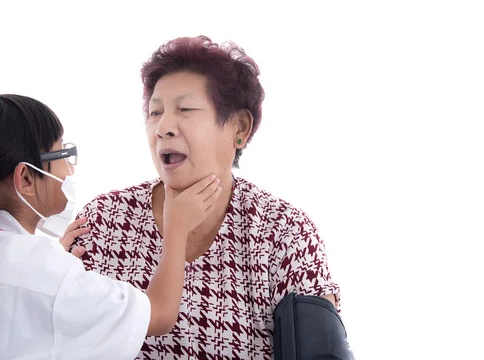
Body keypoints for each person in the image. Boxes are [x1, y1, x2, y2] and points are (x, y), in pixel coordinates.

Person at [0, 94, 220, 360]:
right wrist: (176, 227)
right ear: (25, 179)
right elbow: (160, 314)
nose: (68, 170)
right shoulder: (50, 277)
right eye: (62, 153)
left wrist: (55, 269)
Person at [72, 36, 342, 359]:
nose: (163, 128)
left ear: (239, 128)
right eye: (155, 113)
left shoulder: (285, 233)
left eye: (185, 109)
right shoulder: (103, 222)